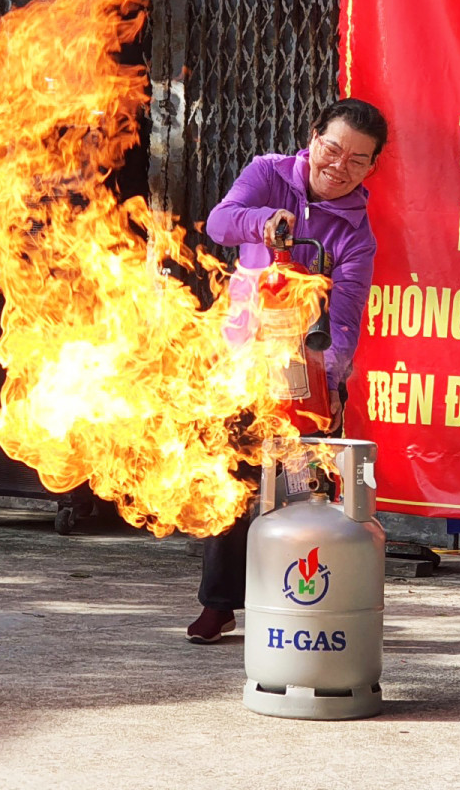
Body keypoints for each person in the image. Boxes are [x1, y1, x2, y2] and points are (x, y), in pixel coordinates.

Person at [186, 98, 386, 644]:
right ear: (313, 136)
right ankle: (220, 604)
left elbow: (344, 321)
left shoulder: (356, 236)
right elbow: (223, 222)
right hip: (244, 366)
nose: (339, 165)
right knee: (232, 485)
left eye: (357, 160)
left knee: (309, 495)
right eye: (332, 149)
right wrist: (263, 222)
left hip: (307, 379)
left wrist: (325, 377)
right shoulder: (267, 173)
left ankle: (302, 603)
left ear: (372, 168)